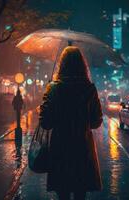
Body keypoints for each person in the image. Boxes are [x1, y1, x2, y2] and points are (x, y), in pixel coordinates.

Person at [39, 46, 103, 200]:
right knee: (80, 193)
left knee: (63, 193)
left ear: (62, 65)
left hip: (60, 150)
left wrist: (44, 106)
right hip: (82, 150)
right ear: (82, 65)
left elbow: (46, 123)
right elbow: (96, 122)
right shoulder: (89, 89)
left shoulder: (53, 89)